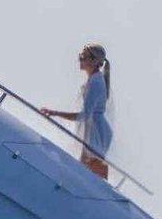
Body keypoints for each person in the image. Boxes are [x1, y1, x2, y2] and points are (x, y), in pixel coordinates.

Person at [40, 43, 113, 179]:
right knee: (86, 168)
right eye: (80, 56)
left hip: (96, 130)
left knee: (90, 167)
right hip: (94, 127)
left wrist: (55, 113)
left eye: (83, 57)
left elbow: (84, 115)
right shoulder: (94, 79)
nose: (80, 60)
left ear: (94, 61)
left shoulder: (96, 81)